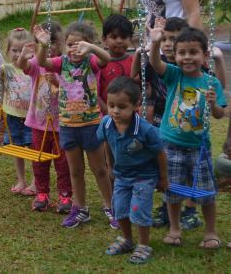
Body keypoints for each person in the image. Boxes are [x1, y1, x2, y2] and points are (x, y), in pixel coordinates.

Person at [148, 21, 226, 249]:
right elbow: (155, 63)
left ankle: (210, 231)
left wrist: (213, 105)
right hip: (170, 144)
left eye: (193, 52)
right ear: (175, 54)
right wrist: (155, 44)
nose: (187, 57)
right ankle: (174, 228)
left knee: (205, 191)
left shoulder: (211, 82)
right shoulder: (174, 75)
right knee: (172, 190)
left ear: (204, 55)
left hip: (198, 147)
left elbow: (220, 114)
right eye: (182, 52)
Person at [35, 21, 116, 228]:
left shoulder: (91, 61)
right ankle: (80, 209)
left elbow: (107, 59)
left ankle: (111, 206)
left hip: (90, 124)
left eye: (80, 44)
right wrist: (43, 45)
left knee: (99, 169)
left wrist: (92, 48)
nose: (74, 49)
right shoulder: (62, 62)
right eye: (70, 44)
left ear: (89, 46)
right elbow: (42, 62)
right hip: (68, 126)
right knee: (76, 171)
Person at [98, 76, 167, 265]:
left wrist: (163, 177)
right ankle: (127, 240)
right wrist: (110, 165)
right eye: (111, 105)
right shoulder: (106, 123)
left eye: (121, 106)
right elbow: (107, 143)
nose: (115, 111)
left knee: (139, 210)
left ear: (136, 105)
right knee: (119, 208)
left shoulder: (145, 129)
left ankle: (144, 245)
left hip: (144, 177)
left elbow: (160, 153)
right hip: (122, 175)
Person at [17, 21, 72, 213]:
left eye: (53, 43)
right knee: (39, 161)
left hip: (61, 125)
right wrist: (23, 56)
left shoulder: (66, 64)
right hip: (39, 123)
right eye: (43, 44)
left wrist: (58, 81)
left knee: (63, 163)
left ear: (62, 43)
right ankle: (42, 193)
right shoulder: (37, 64)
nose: (49, 48)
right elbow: (24, 66)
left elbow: (73, 90)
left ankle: (65, 195)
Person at [0, 27, 36, 196]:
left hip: (33, 117)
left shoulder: (34, 68)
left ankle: (34, 182)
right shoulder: (7, 69)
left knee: (33, 150)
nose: (17, 54)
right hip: (13, 116)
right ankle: (21, 179)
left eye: (22, 50)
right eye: (14, 50)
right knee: (17, 149)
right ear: (8, 51)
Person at [98, 14, 134, 114]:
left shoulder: (135, 62)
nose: (119, 41)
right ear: (104, 39)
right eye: (114, 37)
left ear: (130, 39)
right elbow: (94, 92)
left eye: (123, 37)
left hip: (130, 114)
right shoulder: (98, 64)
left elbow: (140, 88)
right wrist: (107, 110)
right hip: (106, 115)